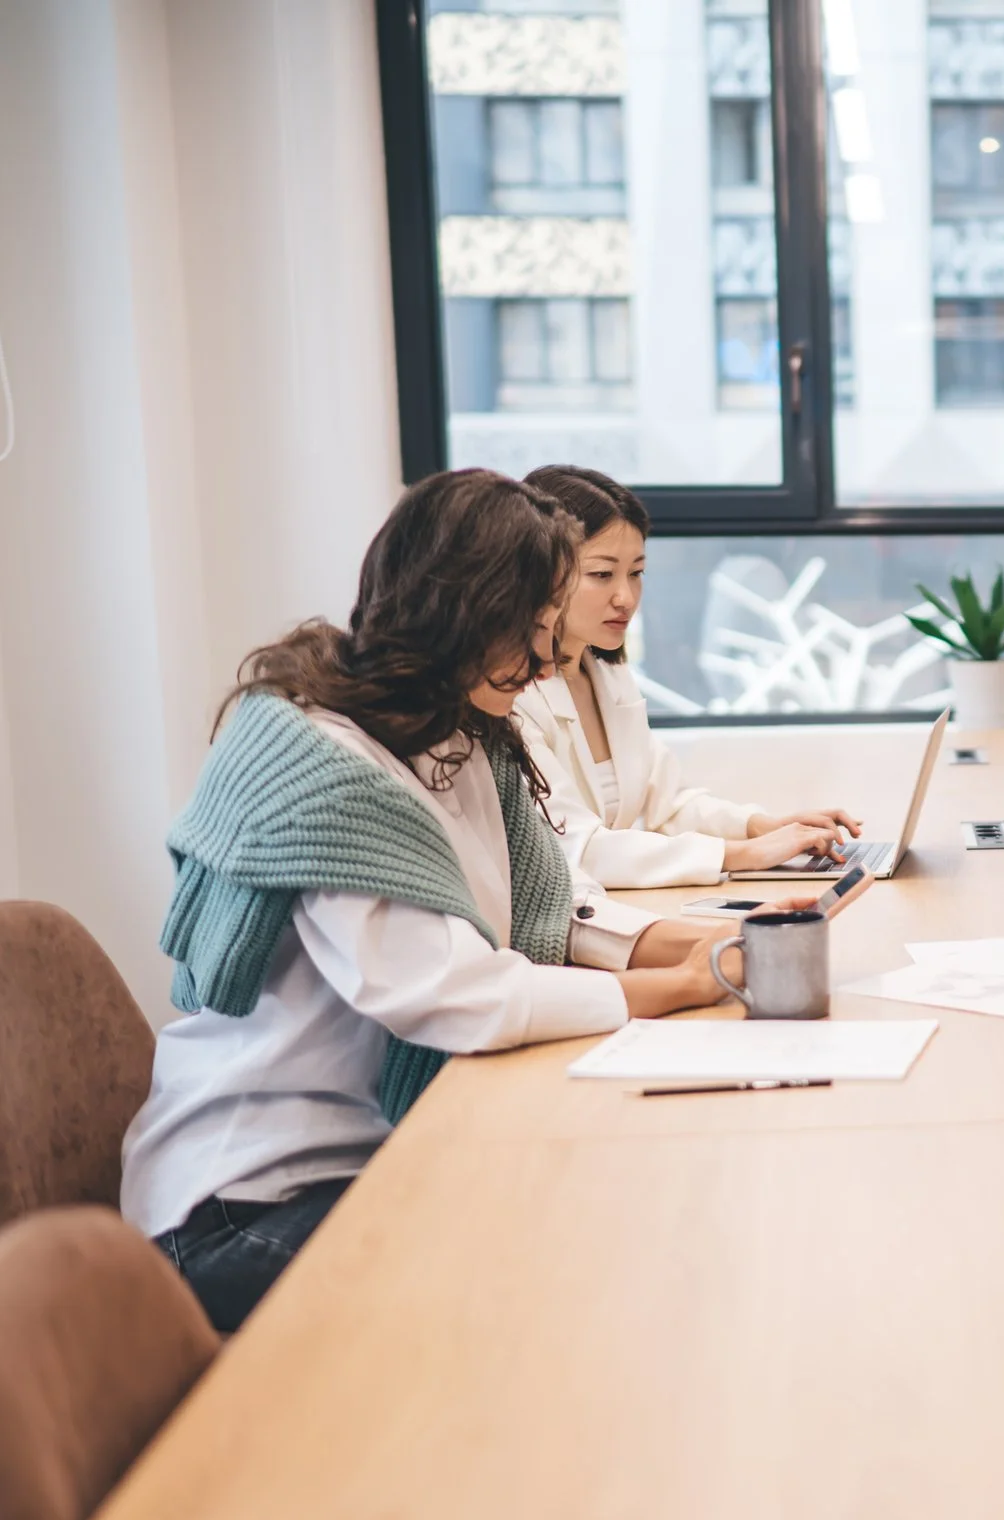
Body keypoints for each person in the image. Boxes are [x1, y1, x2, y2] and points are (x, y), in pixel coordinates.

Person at [123, 470, 779, 1332]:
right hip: (244, 1196)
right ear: (455, 608)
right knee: (530, 1289)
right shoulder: (327, 767)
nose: (546, 660)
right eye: (530, 630)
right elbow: (453, 993)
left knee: (600, 1228)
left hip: (367, 1150)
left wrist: (706, 941)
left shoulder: (462, 738)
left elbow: (552, 907)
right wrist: (680, 984)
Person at [514, 465, 857, 888]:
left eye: (636, 573)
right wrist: (748, 855)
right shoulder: (509, 695)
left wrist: (762, 826)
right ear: (544, 574)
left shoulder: (607, 672)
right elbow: (576, 849)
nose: (626, 597)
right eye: (603, 575)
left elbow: (669, 804)